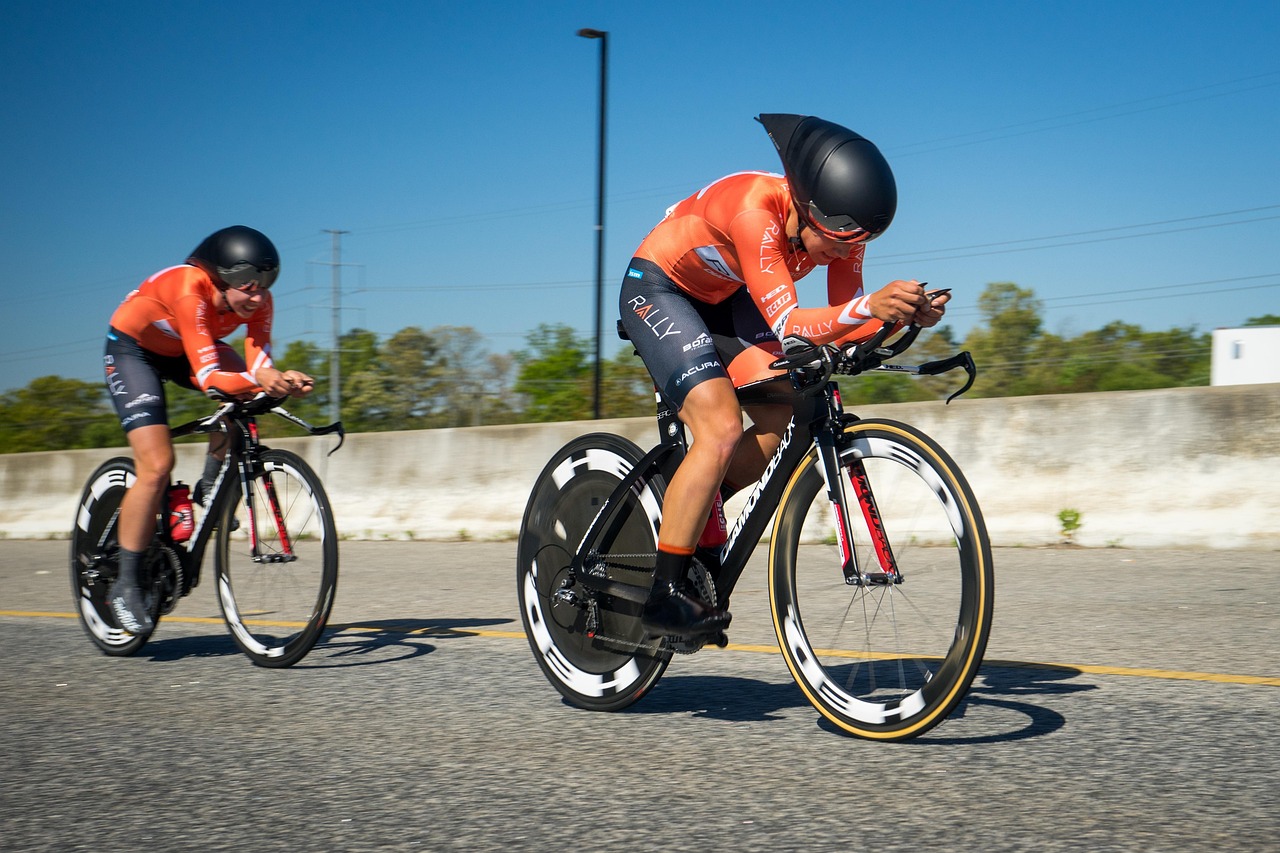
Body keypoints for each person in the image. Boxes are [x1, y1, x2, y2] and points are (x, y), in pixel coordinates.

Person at [618, 114, 951, 639]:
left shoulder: (843, 228)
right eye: (836, 241)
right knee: (721, 426)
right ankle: (663, 595)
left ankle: (697, 505)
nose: (843, 251)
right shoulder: (757, 214)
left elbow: (847, 322)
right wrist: (872, 305)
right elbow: (793, 326)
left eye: (854, 242)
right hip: (660, 289)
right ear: (806, 206)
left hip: (728, 296)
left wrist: (901, 316)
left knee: (782, 419)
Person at [102, 225, 315, 635]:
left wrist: (278, 380)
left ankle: (210, 485)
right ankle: (126, 585)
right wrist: (261, 381)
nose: (258, 296)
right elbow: (210, 378)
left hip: (184, 348)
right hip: (134, 350)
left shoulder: (259, 301)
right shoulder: (191, 289)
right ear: (220, 276)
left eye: (266, 284)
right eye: (248, 285)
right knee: (157, 465)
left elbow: (259, 363)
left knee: (247, 402)